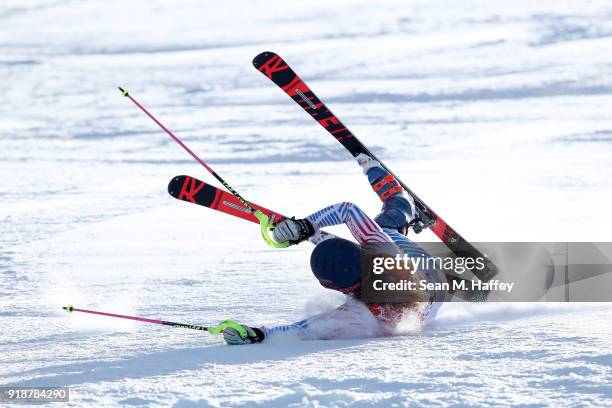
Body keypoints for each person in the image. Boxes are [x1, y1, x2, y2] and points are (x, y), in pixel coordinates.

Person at [222, 154, 447, 345]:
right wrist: (307, 225)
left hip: (428, 307)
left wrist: (257, 335)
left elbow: (302, 329)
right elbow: (348, 211)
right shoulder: (382, 252)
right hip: (431, 276)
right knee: (388, 221)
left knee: (383, 231)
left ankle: (313, 235)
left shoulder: (358, 314)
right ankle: (396, 197)